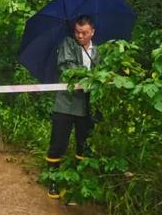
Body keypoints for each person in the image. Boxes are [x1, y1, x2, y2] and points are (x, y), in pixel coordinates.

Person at [46, 14, 99, 199]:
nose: (80, 36)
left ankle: (76, 183)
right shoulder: (67, 44)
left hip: (86, 107)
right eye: (77, 32)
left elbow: (103, 72)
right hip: (65, 104)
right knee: (58, 143)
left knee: (83, 145)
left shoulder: (98, 51)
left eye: (84, 33)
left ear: (92, 32)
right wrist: (91, 76)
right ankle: (52, 180)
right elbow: (67, 69)